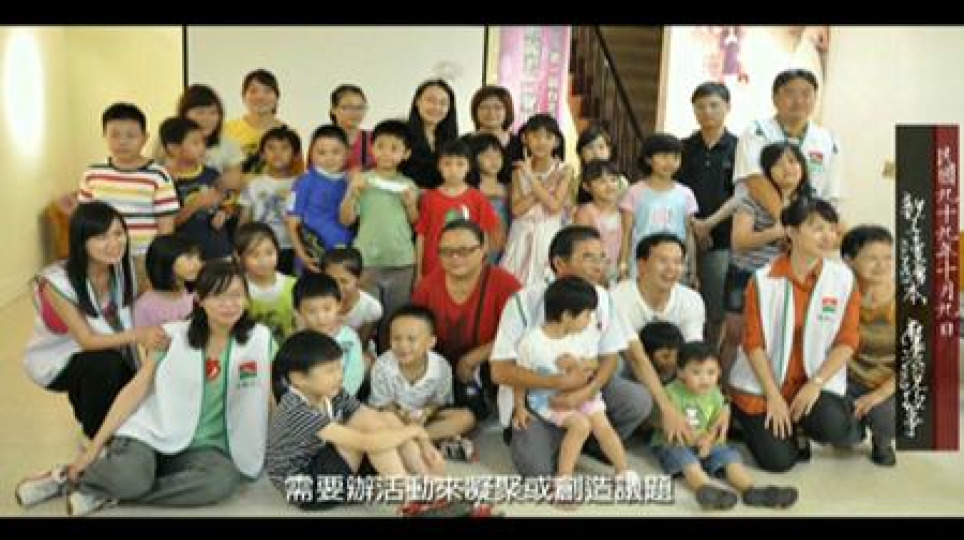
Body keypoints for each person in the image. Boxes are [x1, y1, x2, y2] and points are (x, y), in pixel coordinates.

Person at [16, 261, 275, 516]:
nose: (229, 304)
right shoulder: (171, 336)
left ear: (247, 299)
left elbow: (270, 396)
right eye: (218, 296)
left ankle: (112, 490)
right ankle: (66, 478)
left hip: (205, 449)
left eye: (236, 295)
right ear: (199, 299)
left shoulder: (261, 340)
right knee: (131, 476)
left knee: (219, 482)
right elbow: (135, 389)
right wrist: (94, 447)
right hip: (153, 433)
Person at [266, 330, 489, 516]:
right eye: (330, 371)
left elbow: (374, 417)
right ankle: (410, 499)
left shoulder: (330, 392)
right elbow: (366, 441)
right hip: (305, 488)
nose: (339, 376)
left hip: (323, 463)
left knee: (386, 419)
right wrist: (414, 431)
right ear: (298, 378)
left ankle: (430, 486)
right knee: (374, 437)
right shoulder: (295, 410)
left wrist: (424, 443)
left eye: (339, 367)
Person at [490, 226, 650, 477]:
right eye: (588, 257)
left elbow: (609, 358)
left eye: (602, 257)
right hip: (539, 399)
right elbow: (500, 371)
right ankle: (556, 437)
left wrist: (586, 390)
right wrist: (556, 382)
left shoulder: (602, 297)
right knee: (535, 469)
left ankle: (588, 441)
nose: (598, 266)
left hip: (583, 390)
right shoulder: (524, 301)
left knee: (637, 400)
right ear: (560, 264)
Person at [729, 197, 863, 473]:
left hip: (810, 382)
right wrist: (774, 396)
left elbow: (848, 340)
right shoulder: (763, 280)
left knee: (835, 425)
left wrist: (816, 383)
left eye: (831, 229)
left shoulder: (843, 279)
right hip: (765, 385)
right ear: (791, 232)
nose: (828, 236)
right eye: (817, 228)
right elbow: (753, 344)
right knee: (780, 462)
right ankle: (746, 420)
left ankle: (798, 423)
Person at [22, 202, 168, 440]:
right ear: (81, 241)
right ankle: (93, 436)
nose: (114, 243)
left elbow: (158, 293)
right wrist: (140, 335)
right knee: (105, 365)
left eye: (118, 233)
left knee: (131, 391)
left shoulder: (125, 270)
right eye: (101, 237)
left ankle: (85, 401)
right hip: (57, 361)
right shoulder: (58, 283)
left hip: (106, 352)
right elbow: (87, 340)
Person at [514, 277, 640, 496]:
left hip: (582, 392)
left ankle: (623, 471)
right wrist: (519, 407)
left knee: (603, 426)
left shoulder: (581, 336)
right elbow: (519, 378)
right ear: (566, 316)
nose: (590, 320)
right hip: (549, 400)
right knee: (580, 425)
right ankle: (564, 479)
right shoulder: (532, 343)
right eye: (587, 314)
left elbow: (594, 363)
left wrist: (577, 363)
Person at [653, 342, 798, 510]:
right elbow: (665, 425)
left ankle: (750, 490)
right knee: (687, 460)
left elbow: (716, 426)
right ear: (680, 373)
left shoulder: (715, 394)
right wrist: (695, 441)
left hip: (706, 442)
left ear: (719, 372)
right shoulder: (670, 393)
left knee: (729, 456)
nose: (704, 379)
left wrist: (709, 440)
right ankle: (706, 489)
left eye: (711, 372)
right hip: (675, 442)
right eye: (696, 372)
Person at [411, 220, 521, 420]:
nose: (455, 258)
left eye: (464, 251)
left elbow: (521, 334)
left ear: (483, 249)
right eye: (446, 252)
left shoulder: (505, 285)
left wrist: (473, 358)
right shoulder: (427, 287)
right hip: (439, 369)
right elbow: (414, 332)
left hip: (489, 366)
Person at [722, 142, 813, 382]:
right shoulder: (752, 200)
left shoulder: (810, 206)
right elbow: (739, 241)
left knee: (776, 337)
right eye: (778, 163)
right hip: (746, 274)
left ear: (803, 167)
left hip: (786, 280)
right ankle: (724, 390)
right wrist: (775, 233)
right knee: (735, 335)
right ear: (767, 170)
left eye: (792, 161)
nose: (787, 168)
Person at [78, 102, 179, 287]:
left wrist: (158, 264)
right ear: (104, 136)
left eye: (131, 135)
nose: (122, 141)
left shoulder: (158, 175)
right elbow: (84, 222)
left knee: (141, 303)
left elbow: (166, 228)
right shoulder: (93, 173)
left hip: (142, 258)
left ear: (145, 138)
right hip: (102, 257)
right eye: (115, 135)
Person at [339, 119, 419, 352]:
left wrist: (411, 205)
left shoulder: (408, 185)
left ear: (406, 154)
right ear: (372, 148)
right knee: (366, 317)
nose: (386, 153)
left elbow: (415, 223)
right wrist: (352, 194)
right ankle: (360, 357)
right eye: (381, 146)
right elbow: (346, 220)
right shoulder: (361, 180)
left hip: (401, 262)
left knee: (395, 319)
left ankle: (390, 359)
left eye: (394, 148)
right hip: (367, 261)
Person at [733, 68, 843, 224]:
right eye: (790, 93)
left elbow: (831, 195)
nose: (798, 101)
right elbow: (755, 180)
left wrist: (816, 229)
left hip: (809, 229)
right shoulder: (757, 132)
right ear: (774, 98)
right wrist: (790, 224)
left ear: (815, 98)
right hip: (759, 225)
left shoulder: (828, 141)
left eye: (806, 94)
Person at [368, 305, 476, 458]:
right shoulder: (382, 366)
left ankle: (407, 442)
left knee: (466, 418)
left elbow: (440, 402)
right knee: (372, 421)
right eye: (396, 338)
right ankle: (424, 442)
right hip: (392, 417)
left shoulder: (441, 366)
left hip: (425, 418)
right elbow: (384, 405)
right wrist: (401, 416)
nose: (403, 345)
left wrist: (427, 412)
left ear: (430, 342)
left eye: (411, 339)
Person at [677, 82, 739, 348]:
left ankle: (710, 355)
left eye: (714, 105)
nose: (707, 112)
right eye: (700, 107)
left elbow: (742, 195)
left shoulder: (739, 148)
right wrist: (694, 227)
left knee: (715, 308)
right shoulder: (683, 147)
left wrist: (708, 226)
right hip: (683, 235)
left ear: (728, 107)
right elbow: (675, 189)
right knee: (681, 302)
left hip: (722, 238)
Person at [841, 225, 897, 466]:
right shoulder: (840, 293)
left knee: (887, 417)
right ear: (849, 260)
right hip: (849, 380)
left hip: (891, 383)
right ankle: (851, 432)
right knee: (838, 430)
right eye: (872, 258)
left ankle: (883, 441)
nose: (882, 265)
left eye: (887, 257)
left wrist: (878, 395)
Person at [500, 114, 573, 287]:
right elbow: (517, 210)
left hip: (549, 233)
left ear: (556, 142)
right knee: (513, 285)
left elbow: (554, 206)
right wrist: (548, 182)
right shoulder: (519, 171)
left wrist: (531, 179)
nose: (541, 142)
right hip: (521, 233)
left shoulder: (565, 169)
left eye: (548, 137)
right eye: (535, 136)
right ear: (525, 139)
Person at [618, 133, 699, 284]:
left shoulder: (686, 194)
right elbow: (626, 233)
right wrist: (623, 265)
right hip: (642, 264)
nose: (670, 162)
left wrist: (693, 270)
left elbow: (689, 234)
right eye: (664, 156)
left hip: (674, 266)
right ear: (648, 159)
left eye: (675, 157)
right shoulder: (634, 192)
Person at [415, 139, 500, 279]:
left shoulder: (478, 198)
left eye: (460, 164)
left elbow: (484, 236)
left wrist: (480, 266)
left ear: (469, 166)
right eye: (447, 163)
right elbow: (421, 236)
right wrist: (418, 273)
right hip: (433, 269)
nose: (453, 170)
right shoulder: (429, 198)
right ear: (439, 166)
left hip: (467, 269)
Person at [612, 233, 706, 344]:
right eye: (663, 261)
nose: (671, 268)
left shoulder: (691, 300)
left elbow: (693, 347)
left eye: (678, 262)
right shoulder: (617, 298)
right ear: (641, 265)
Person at [162, 116, 234, 261]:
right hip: (187, 258)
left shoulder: (212, 174)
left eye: (203, 142)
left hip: (220, 252)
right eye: (195, 143)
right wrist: (195, 204)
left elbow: (228, 204)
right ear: (174, 148)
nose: (202, 147)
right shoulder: (165, 180)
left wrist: (224, 213)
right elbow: (169, 224)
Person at [286, 124, 353, 274]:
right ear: (311, 153)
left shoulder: (350, 182)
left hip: (343, 258)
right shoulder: (304, 181)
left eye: (336, 152)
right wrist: (303, 256)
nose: (329, 158)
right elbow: (291, 224)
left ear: (347, 153)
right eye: (321, 152)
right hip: (312, 260)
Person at [154, 84, 244, 195]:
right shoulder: (166, 139)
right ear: (184, 113)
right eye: (200, 112)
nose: (207, 119)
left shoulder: (228, 144)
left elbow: (235, 182)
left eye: (213, 113)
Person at [240, 126, 301, 275]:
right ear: (262, 155)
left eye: (284, 148)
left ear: (295, 155)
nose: (277, 153)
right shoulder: (253, 184)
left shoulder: (301, 183)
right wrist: (240, 247)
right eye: (271, 148)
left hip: (292, 248)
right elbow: (244, 220)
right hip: (258, 249)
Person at [293, 273, 365, 397]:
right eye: (312, 311)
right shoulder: (296, 342)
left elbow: (354, 375)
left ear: (338, 305)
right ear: (298, 311)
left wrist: (336, 399)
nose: (321, 317)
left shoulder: (350, 339)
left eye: (327, 309)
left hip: (342, 400)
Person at [236, 223, 297, 344]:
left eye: (269, 253)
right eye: (254, 255)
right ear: (239, 257)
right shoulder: (237, 289)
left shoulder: (294, 285)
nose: (263, 261)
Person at [223, 69, 290, 176]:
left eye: (267, 91)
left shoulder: (289, 133)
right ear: (243, 96)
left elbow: (296, 175)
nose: (260, 96)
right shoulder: (226, 130)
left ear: (277, 97)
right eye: (253, 91)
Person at [572, 160, 628, 285]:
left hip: (618, 272)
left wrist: (622, 267)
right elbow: (584, 246)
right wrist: (599, 272)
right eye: (602, 181)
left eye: (613, 180)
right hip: (593, 273)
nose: (609, 185)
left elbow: (626, 241)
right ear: (586, 187)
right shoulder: (585, 212)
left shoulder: (623, 211)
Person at [321, 247, 383, 358]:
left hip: (355, 350)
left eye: (344, 281)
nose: (337, 287)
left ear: (359, 278)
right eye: (331, 281)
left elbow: (362, 344)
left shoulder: (371, 307)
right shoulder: (317, 302)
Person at [133, 235, 201, 328]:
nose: (198, 264)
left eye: (198, 258)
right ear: (166, 260)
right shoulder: (144, 306)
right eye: (189, 257)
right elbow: (141, 336)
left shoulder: (198, 295)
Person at [402, 79, 459, 190]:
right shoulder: (401, 134)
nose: (436, 107)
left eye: (443, 103)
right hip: (405, 197)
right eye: (431, 100)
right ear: (417, 102)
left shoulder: (453, 141)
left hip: (441, 198)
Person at [466, 85, 524, 184]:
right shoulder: (462, 144)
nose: (491, 113)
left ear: (507, 111)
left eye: (498, 107)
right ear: (475, 111)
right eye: (484, 107)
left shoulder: (520, 144)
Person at [465, 133, 510, 262]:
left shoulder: (509, 188)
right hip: (480, 248)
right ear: (474, 158)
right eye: (487, 156)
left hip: (507, 247)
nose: (494, 161)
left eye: (498, 155)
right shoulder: (470, 191)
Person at [573, 122, 630, 205]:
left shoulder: (621, 181)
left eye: (601, 147)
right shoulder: (576, 183)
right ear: (581, 153)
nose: (596, 153)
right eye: (589, 148)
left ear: (609, 151)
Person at [329, 84, 374, 171]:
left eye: (360, 107)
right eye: (347, 107)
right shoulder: (322, 140)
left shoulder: (374, 139)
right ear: (333, 109)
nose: (354, 113)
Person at [639, 321, 685, 385]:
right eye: (665, 356)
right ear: (647, 354)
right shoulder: (638, 380)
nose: (673, 361)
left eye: (678, 355)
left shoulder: (685, 376)